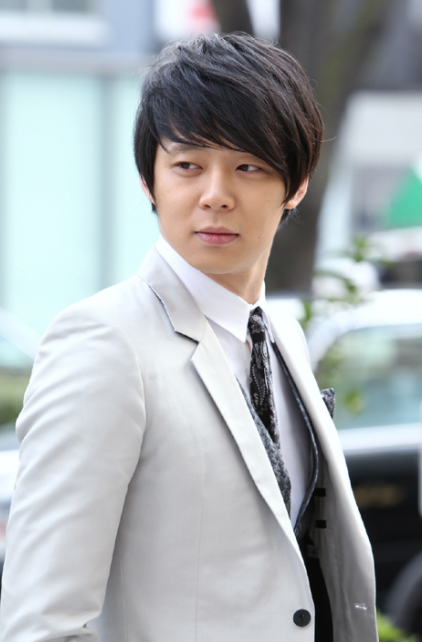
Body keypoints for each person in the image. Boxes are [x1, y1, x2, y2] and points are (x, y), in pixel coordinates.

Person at [0, 32, 377, 642]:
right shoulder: (104, 343)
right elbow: (41, 623)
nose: (215, 196)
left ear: (298, 183)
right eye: (187, 166)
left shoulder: (281, 336)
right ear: (149, 180)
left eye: (248, 166)